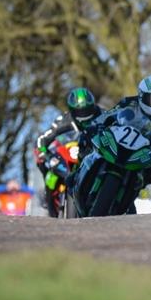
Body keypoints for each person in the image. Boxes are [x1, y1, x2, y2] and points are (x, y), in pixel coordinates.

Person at [82, 75, 151, 191]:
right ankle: (78, 176)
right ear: (141, 95)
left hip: (144, 149)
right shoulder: (128, 102)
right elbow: (107, 116)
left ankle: (129, 200)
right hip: (116, 139)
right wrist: (96, 126)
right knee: (93, 150)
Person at [34, 87, 105, 217]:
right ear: (72, 111)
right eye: (79, 111)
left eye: (87, 110)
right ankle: (47, 193)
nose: (84, 115)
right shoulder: (63, 120)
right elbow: (42, 139)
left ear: (93, 106)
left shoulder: (102, 115)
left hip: (94, 154)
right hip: (69, 153)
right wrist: (43, 153)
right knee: (44, 162)